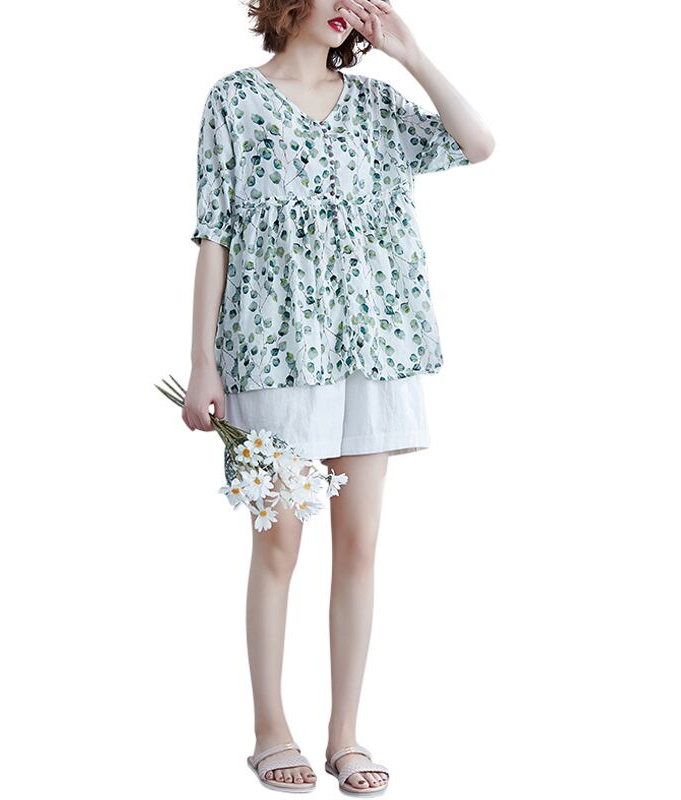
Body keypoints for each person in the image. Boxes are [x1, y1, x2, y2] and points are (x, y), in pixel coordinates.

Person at [183, 0, 494, 793]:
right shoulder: (234, 100)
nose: (347, 8)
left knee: (359, 547)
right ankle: (270, 731)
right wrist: (202, 365)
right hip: (273, 351)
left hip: (372, 349)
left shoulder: (378, 105)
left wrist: (411, 54)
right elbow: (214, 233)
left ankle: (345, 735)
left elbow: (478, 144)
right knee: (278, 547)